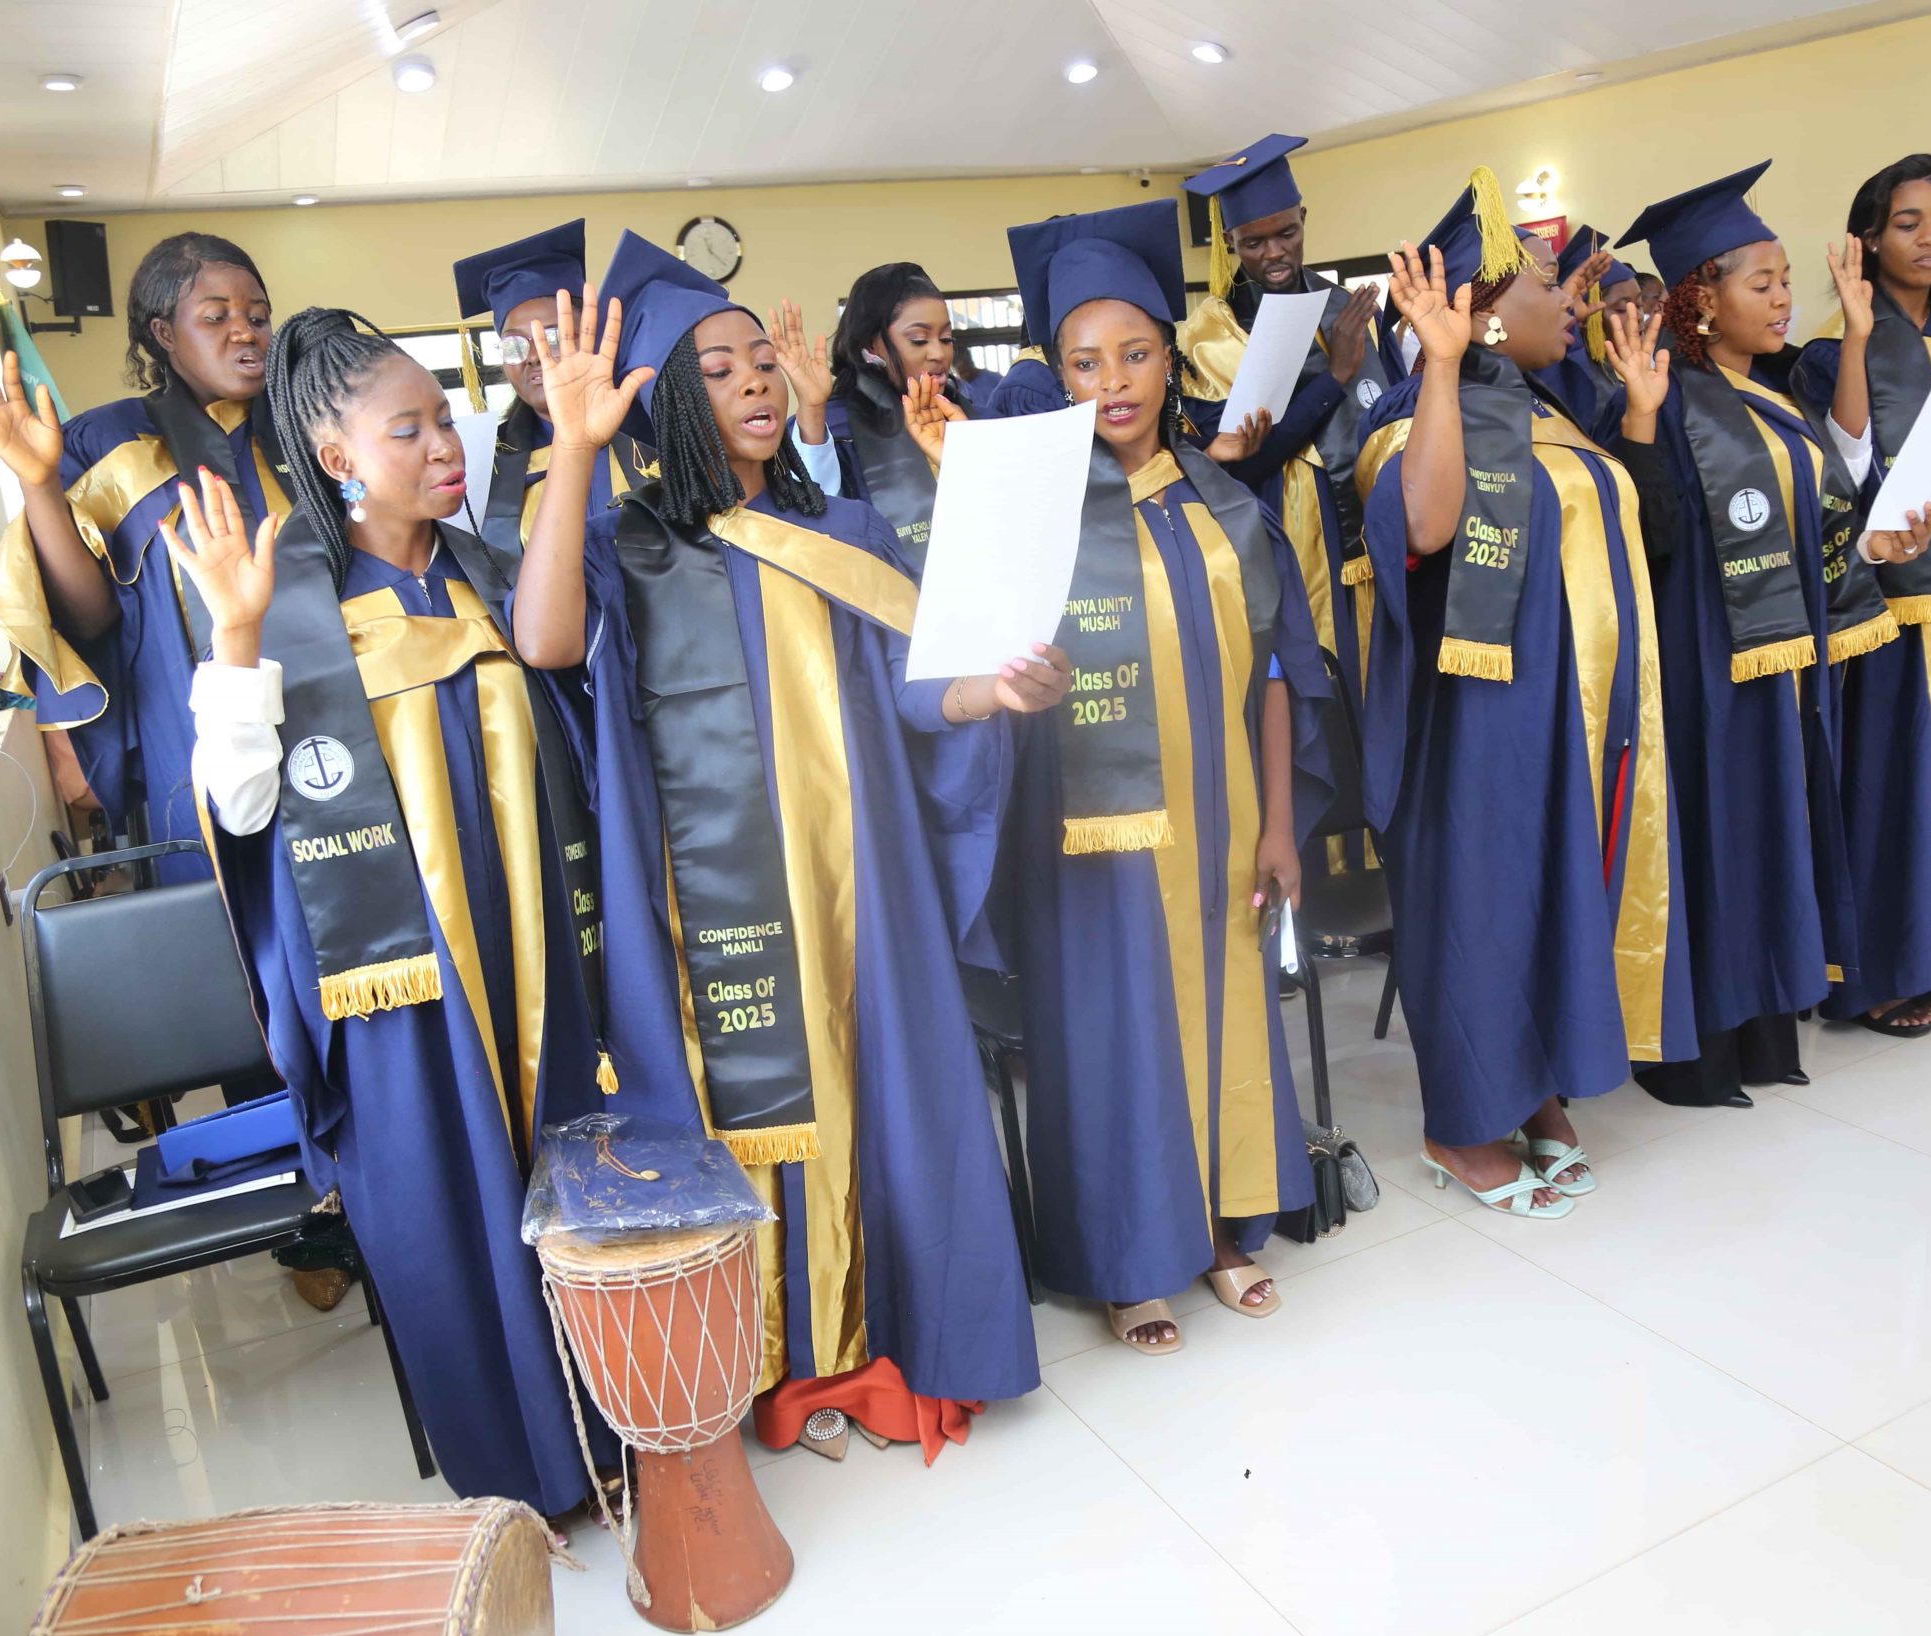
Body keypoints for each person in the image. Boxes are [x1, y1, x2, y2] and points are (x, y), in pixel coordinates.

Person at [510, 239, 1053, 1453]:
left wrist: (990, 697)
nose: (756, 381)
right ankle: (764, 1359)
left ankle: (888, 1338)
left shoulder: (844, 527)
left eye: (762, 359)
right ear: (662, 402)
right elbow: (543, 642)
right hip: (709, 912)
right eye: (717, 369)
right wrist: (580, 453)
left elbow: (923, 690)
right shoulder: (630, 551)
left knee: (889, 1095)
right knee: (737, 1106)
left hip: (871, 891)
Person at [168, 307, 620, 1515]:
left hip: (535, 959)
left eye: (442, 420)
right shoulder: (294, 605)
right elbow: (241, 803)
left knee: (575, 1192)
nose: (440, 447)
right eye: (404, 429)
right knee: (451, 1230)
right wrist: (235, 636)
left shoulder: (483, 573)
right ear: (338, 462)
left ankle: (618, 1434)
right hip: (401, 996)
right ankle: (522, 1485)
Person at [985, 200, 1332, 1354]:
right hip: (1087, 835)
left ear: (1169, 357)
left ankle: (1228, 1228)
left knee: (1229, 1016)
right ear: (1056, 375)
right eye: (1085, 361)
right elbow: (979, 680)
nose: (1114, 381)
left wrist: (1281, 825)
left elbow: (1276, 677)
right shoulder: (1033, 519)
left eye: (1134, 352)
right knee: (1110, 1033)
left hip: (1224, 818)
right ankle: (1132, 1259)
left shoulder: (1226, 505)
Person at [1358, 169, 1684, 1214]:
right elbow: (1424, 528)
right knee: (1486, 908)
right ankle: (1461, 1123)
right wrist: (1442, 373)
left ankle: (1537, 1087)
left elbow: (1645, 541)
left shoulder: (1561, 416)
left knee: (1558, 897)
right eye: (1548, 281)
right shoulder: (1414, 427)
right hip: (1478, 734)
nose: (1572, 298)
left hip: (1579, 719)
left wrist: (1637, 421)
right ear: (1482, 314)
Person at [1610, 162, 1931, 1102]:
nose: (1786, 298)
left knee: (1770, 834)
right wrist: (1635, 417)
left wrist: (1878, 536)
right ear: (1702, 299)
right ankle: (1699, 1047)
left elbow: (1818, 517)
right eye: (1765, 283)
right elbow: (1650, 530)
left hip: (1779, 667)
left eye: (1788, 280)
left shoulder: (1780, 396)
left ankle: (1763, 1031)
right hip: (1707, 671)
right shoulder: (1663, 397)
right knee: (1720, 840)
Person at [0, 232, 279, 890]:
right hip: (190, 720)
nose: (245, 332)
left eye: (256, 315)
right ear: (164, 332)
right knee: (225, 904)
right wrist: (40, 483)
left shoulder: (304, 428)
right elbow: (91, 614)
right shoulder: (111, 445)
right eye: (216, 316)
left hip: (333, 697)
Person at [1791, 154, 1931, 1021]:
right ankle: (1881, 968)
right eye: (1909, 221)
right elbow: (1834, 479)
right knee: (1888, 782)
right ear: (1871, 234)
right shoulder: (1827, 353)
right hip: (1880, 608)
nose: (1930, 237)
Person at [1178, 136, 1380, 685]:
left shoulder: (1345, 310)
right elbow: (1234, 466)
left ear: (1304, 218)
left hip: (1365, 535)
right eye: (1253, 242)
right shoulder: (1207, 337)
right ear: (1230, 241)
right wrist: (1333, 374)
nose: (1273, 254)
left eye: (1287, 233)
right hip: (1279, 538)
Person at [451, 220, 651, 556]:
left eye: (553, 337)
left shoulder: (649, 432)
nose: (533, 356)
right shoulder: (487, 463)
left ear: (591, 334)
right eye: (514, 344)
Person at [793, 260, 966, 566]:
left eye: (946, 338)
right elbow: (815, 526)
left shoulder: (971, 417)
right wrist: (812, 411)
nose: (939, 353)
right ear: (868, 348)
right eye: (919, 340)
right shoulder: (832, 431)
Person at [1533, 223, 1633, 434]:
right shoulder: (1566, 368)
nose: (1638, 315)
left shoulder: (1612, 366)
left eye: (1640, 305)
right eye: (1623, 307)